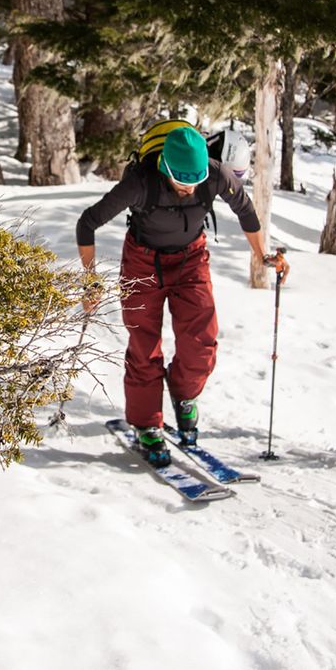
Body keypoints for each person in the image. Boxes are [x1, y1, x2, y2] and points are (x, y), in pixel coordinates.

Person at [76, 124, 289, 467]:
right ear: (165, 167)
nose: (190, 187)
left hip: (191, 259)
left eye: (196, 178)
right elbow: (87, 223)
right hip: (143, 262)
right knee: (145, 347)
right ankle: (147, 425)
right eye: (181, 179)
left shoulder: (216, 175)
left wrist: (261, 254)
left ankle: (184, 395)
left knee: (201, 341)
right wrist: (89, 281)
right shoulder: (140, 183)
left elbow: (246, 212)